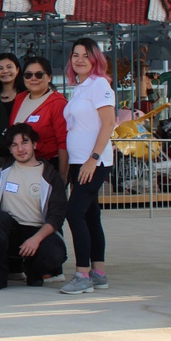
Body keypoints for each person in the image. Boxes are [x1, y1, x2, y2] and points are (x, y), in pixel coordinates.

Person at [0, 124, 68, 290]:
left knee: (55, 254)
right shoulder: (2, 166)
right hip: (10, 229)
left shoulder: (50, 175)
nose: (20, 149)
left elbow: (57, 216)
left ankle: (33, 270)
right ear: (9, 149)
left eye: (25, 143)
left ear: (34, 144)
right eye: (14, 145)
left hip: (37, 232)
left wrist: (36, 239)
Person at [59, 38, 115, 295]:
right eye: (75, 55)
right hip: (78, 161)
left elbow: (108, 123)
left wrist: (93, 159)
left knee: (75, 212)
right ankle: (98, 272)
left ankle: (82, 274)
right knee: (91, 216)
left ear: (96, 59)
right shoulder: (80, 87)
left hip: (93, 161)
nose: (79, 59)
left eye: (85, 55)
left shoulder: (99, 84)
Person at [10, 56, 68, 180]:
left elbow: (64, 143)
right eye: (28, 75)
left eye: (39, 74)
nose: (33, 79)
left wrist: (63, 176)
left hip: (48, 167)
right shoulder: (20, 98)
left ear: (49, 77)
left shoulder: (58, 103)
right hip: (21, 167)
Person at [0, 53, 26, 119]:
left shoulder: (26, 95)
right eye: (0, 68)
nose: (5, 71)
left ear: (17, 70)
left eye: (9, 67)